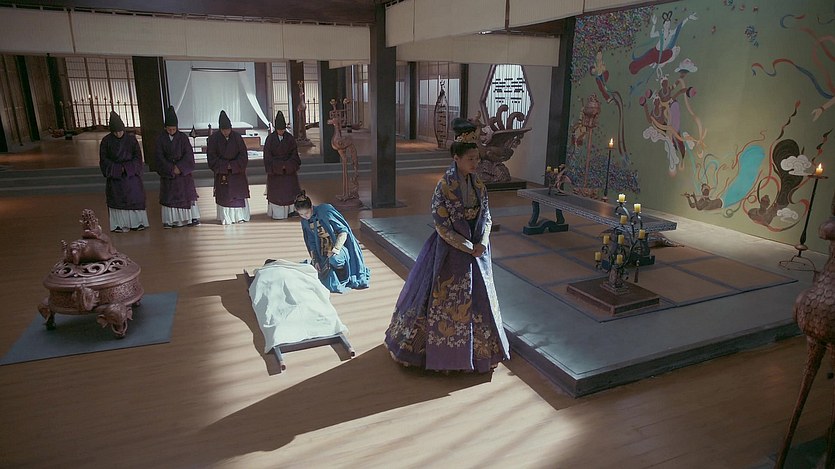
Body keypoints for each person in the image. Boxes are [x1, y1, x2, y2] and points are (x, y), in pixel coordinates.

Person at [384, 118, 510, 373]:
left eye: (477, 158)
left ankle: (477, 353)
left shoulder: (479, 184)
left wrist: (483, 241)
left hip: (477, 249)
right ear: (456, 158)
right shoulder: (444, 187)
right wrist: (468, 246)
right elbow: (441, 225)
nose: (476, 163)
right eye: (470, 159)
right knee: (442, 301)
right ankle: (440, 355)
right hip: (449, 252)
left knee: (479, 300)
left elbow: (486, 215)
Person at [294, 192, 370, 293]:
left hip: (339, 248)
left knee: (335, 260)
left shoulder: (326, 211)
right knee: (322, 277)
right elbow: (311, 242)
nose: (305, 216)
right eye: (301, 214)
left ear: (311, 207)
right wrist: (315, 260)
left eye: (306, 213)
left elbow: (343, 231)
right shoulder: (305, 221)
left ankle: (343, 272)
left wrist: (335, 250)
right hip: (323, 252)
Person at [99, 110, 148, 233]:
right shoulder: (106, 141)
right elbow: (104, 159)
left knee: (134, 198)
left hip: (131, 176)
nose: (118, 134)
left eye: (120, 131)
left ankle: (137, 223)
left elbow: (138, 157)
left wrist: (127, 168)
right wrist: (117, 169)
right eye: (115, 132)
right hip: (116, 177)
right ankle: (119, 225)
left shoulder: (131, 140)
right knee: (117, 200)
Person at [155, 105, 200, 228]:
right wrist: (171, 168)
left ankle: (191, 218)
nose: (171, 131)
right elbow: (159, 157)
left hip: (182, 173)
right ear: (165, 128)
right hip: (169, 174)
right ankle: (171, 221)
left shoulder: (183, 138)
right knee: (170, 197)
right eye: (169, 129)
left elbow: (189, 155)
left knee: (186, 195)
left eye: (174, 129)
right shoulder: (160, 139)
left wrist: (180, 167)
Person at [207, 110, 250, 224]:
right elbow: (211, 157)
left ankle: (240, 216)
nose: (226, 132)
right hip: (223, 172)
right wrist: (226, 166)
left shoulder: (237, 137)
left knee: (237, 195)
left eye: (228, 129)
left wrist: (233, 166)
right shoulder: (213, 139)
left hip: (237, 172)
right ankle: (226, 218)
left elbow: (243, 155)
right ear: (220, 129)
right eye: (224, 130)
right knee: (225, 196)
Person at [263, 110, 302, 219]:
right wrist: (279, 166)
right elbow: (267, 157)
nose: (281, 132)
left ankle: (291, 211)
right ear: (276, 129)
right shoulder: (270, 139)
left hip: (289, 170)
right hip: (275, 171)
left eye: (283, 129)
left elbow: (294, 154)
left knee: (290, 191)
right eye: (279, 130)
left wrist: (287, 165)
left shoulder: (290, 138)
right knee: (277, 193)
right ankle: (278, 213)